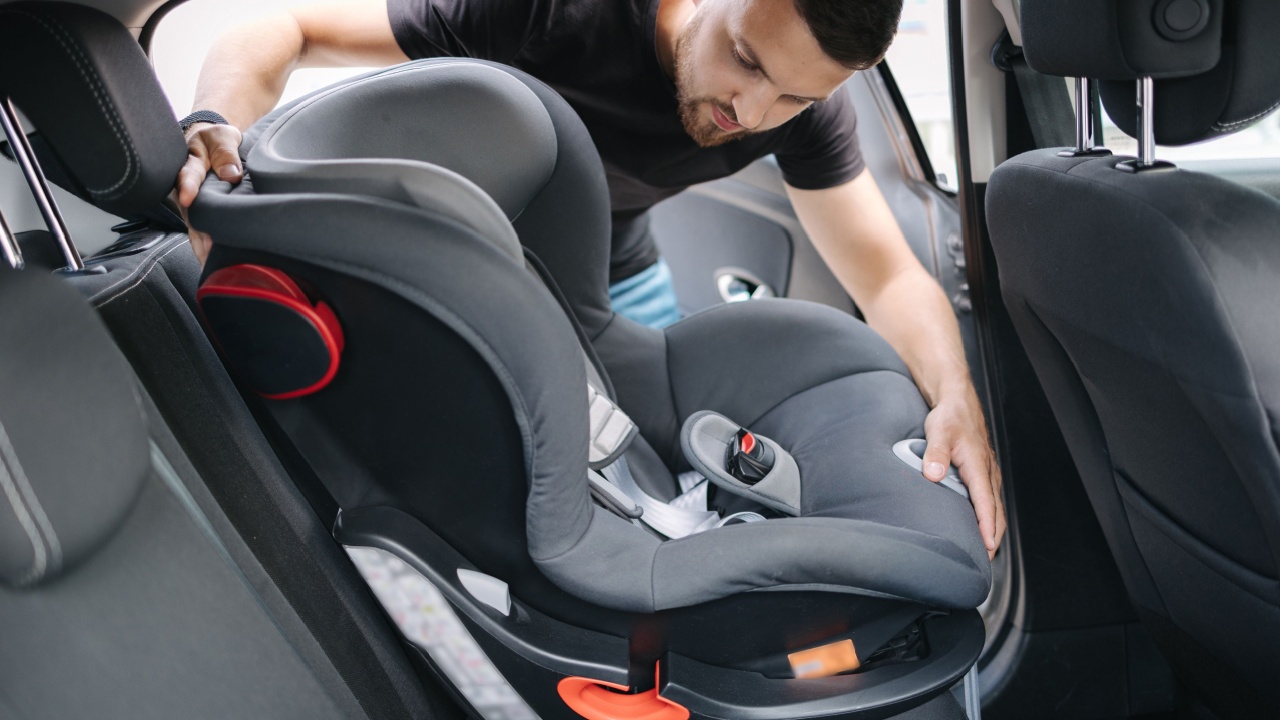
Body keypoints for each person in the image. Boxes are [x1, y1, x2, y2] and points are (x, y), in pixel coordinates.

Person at [174, 0, 1006, 557]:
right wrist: (217, 126)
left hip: (610, 270)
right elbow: (285, 26)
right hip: (459, 251)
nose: (750, 113)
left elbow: (888, 275)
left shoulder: (802, 113)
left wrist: (956, 399)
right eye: (745, 61)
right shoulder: (555, 9)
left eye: (791, 96)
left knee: (658, 469)